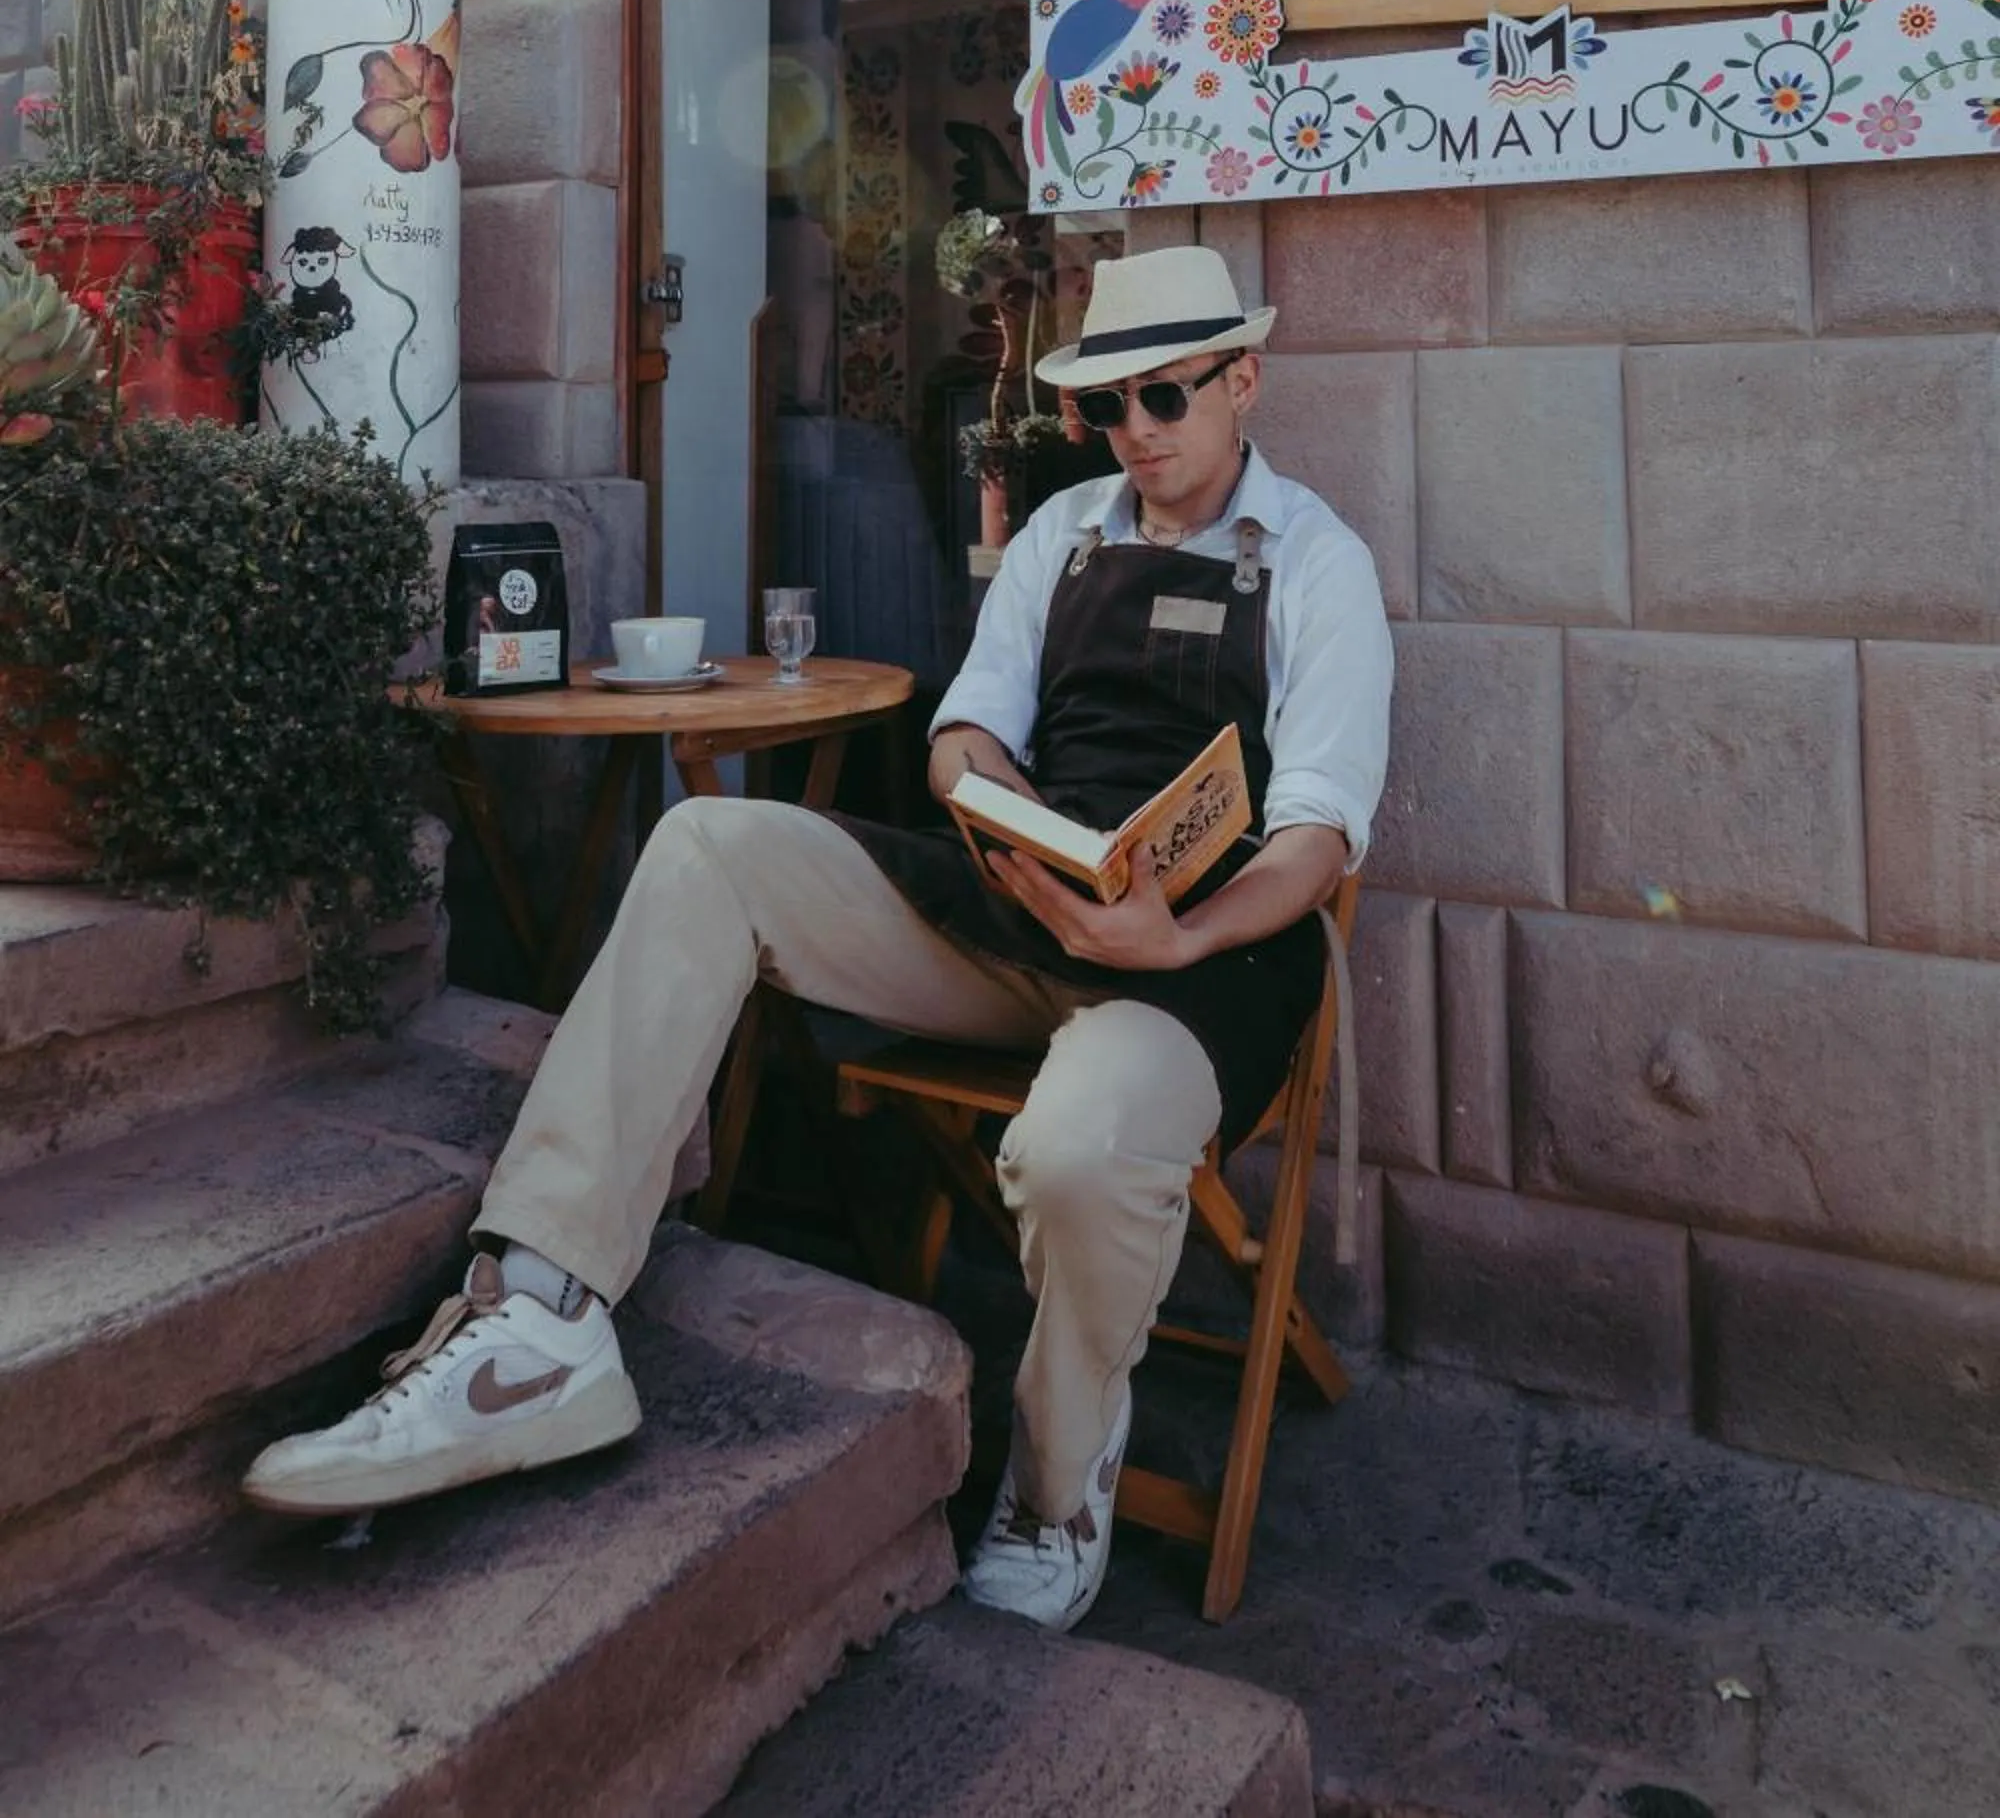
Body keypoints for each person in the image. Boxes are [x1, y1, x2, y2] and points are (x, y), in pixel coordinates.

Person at [244, 246, 1393, 1634]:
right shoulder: (1065, 534)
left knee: (1081, 1151)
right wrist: (1017, 824)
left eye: (1163, 398)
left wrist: (1171, 931)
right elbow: (966, 732)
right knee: (706, 845)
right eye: (1107, 407)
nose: (1134, 433)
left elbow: (1319, 838)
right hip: (1015, 918)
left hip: (1190, 972)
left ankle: (1057, 1482)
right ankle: (542, 1317)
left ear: (1241, 382)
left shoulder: (1319, 564)